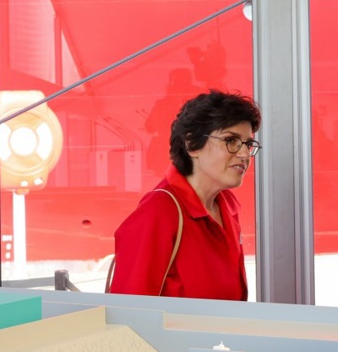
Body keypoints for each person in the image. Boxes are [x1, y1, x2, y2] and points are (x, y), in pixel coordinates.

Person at [109, 90, 261, 300]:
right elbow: (127, 311)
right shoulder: (159, 212)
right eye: (231, 140)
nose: (244, 154)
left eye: (248, 144)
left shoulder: (227, 207)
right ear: (191, 144)